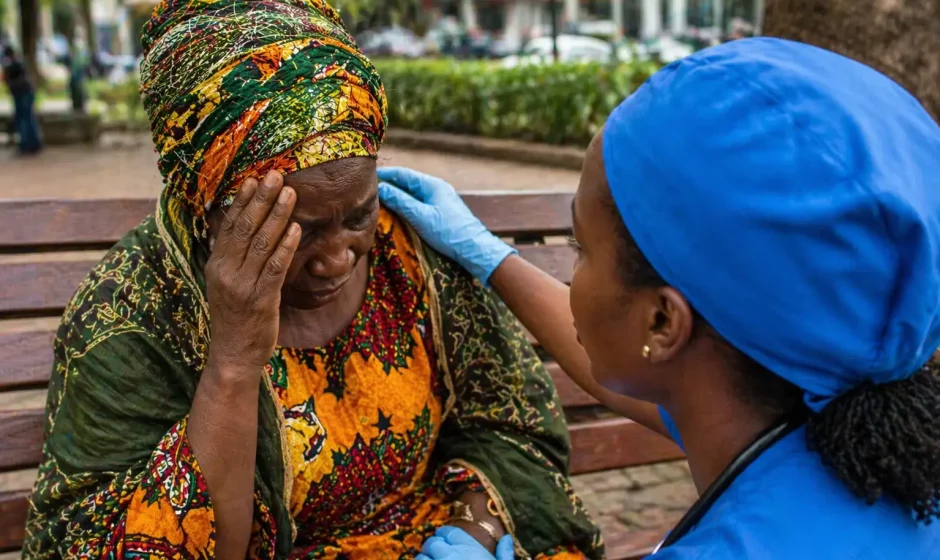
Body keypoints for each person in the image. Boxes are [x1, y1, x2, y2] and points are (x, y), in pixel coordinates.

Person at [21, 1, 601, 559]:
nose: (336, 259)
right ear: (211, 210)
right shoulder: (131, 312)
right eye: (296, 231)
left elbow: (512, 424)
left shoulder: (411, 252)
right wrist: (233, 359)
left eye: (357, 216)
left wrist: (475, 528)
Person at [379, 38, 940, 558]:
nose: (574, 275)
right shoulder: (838, 432)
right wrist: (490, 256)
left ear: (662, 323)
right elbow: (652, 381)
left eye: (580, 247)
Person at [1, 44, 42, 154]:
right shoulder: (19, 62)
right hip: (26, 92)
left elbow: (7, 79)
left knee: (23, 119)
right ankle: (34, 143)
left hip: (21, 93)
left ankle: (27, 144)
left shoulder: (11, 65)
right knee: (28, 117)